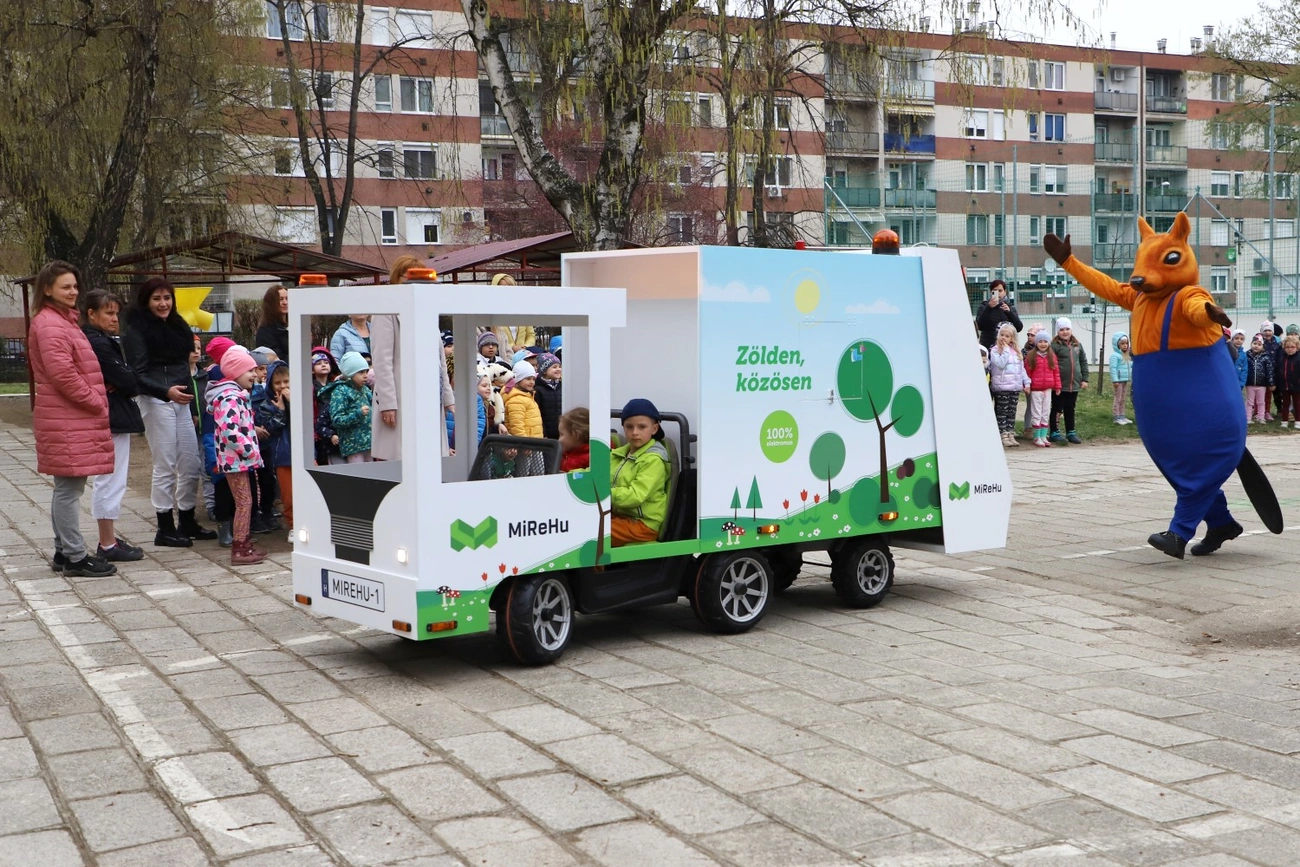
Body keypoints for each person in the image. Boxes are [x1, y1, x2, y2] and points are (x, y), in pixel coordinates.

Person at [30, 262, 117, 577]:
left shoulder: (60, 321)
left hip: (67, 417)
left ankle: (63, 552)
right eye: (66, 286)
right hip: (68, 417)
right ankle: (77, 558)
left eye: (75, 286)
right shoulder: (51, 324)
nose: (73, 292)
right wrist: (95, 399)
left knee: (65, 489)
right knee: (69, 490)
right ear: (48, 289)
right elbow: (63, 374)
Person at [122, 277, 216, 546]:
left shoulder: (178, 325)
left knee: (191, 463)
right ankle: (164, 526)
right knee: (165, 464)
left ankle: (187, 520)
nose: (163, 304)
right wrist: (166, 392)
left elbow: (182, 368)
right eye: (156, 299)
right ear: (146, 301)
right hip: (156, 399)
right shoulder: (136, 330)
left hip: (181, 401)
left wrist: (187, 399)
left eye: (167, 298)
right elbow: (137, 375)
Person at [79, 290, 147, 562]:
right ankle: (107, 542)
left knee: (111, 478)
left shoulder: (100, 339)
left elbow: (127, 378)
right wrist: (122, 378)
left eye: (116, 313)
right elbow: (129, 380)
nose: (114, 318)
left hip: (112, 410)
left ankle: (108, 538)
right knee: (110, 478)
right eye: (108, 312)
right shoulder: (98, 342)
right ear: (91, 314)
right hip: (110, 414)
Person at [372, 256, 453, 460]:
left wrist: (447, 397)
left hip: (428, 396)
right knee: (402, 460)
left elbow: (440, 361)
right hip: (401, 397)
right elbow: (382, 361)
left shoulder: (426, 312)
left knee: (430, 456)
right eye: (409, 276)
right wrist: (388, 403)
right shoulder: (385, 310)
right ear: (397, 279)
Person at [206, 347, 266, 565]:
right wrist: (249, 451)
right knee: (244, 503)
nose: (254, 374)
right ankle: (240, 548)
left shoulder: (237, 396)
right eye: (249, 370)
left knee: (247, 501)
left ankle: (244, 542)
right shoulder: (229, 398)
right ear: (235, 372)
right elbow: (230, 431)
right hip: (236, 460)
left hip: (238, 460)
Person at [610, 399, 671, 545]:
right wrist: (570, 477)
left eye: (642, 427)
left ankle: (592, 568)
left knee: (592, 531)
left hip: (643, 525)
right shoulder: (616, 454)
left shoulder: (653, 460)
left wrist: (602, 494)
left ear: (654, 429)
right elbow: (594, 473)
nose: (635, 432)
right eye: (629, 427)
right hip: (618, 517)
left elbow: (636, 495)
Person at [255, 361, 294, 534]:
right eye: (277, 383)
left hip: (304, 453)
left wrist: (293, 404)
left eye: (286, 382)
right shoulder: (266, 405)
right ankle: (293, 525)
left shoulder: (299, 398)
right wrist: (280, 410)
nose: (282, 386)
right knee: (288, 494)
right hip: (282, 454)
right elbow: (270, 429)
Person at [988, 323, 1030, 447]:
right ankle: (1002, 433)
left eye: (1007, 336)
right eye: (1002, 335)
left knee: (1011, 412)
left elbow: (1021, 369)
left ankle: (1010, 432)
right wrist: (1005, 349)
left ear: (1012, 338)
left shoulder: (1016, 351)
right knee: (1002, 411)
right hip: (1002, 386)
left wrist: (1026, 382)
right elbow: (1000, 364)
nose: (1004, 338)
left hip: (1015, 387)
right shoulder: (995, 350)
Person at [1049, 317, 1088, 444]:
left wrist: (1085, 379)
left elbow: (1083, 362)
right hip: (1060, 385)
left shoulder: (1077, 345)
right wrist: (1055, 382)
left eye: (1067, 329)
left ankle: (1071, 432)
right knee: (1057, 408)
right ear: (1057, 331)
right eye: (1061, 329)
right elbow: (1051, 364)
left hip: (1074, 384)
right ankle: (1054, 431)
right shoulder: (1054, 346)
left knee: (1070, 408)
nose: (1065, 332)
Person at [331, 351, 374, 462]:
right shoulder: (340, 391)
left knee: (373, 474)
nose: (365, 375)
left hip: (369, 443)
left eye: (366, 371)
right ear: (350, 373)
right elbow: (337, 419)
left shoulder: (365, 389)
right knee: (359, 475)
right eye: (360, 372)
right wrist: (357, 414)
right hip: (353, 446)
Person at [1025, 330, 1061, 448]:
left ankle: (1043, 436)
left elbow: (1056, 372)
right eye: (1040, 341)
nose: (1043, 344)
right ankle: (1037, 436)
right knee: (1037, 412)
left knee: (1045, 412)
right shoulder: (1031, 356)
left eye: (1045, 341)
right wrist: (1027, 385)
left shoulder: (1052, 356)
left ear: (1049, 343)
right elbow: (1027, 372)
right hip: (1036, 389)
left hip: (1048, 389)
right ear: (1036, 343)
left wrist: (1057, 386)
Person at [309, 346, 341, 464]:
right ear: (312, 369)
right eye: (318, 363)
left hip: (334, 426)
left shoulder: (336, 385)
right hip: (318, 429)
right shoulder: (310, 387)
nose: (323, 365)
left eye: (326, 362)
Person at [975, 280, 1022, 349]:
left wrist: (1009, 312)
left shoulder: (1010, 307)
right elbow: (979, 326)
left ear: (1005, 292)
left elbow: (1019, 327)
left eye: (1000, 291)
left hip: (1007, 347)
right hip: (988, 345)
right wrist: (989, 308)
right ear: (991, 292)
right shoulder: (984, 306)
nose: (998, 293)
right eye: (995, 291)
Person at [503, 360, 543, 437]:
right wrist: (524, 445)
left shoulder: (528, 397)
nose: (532, 382)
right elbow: (517, 427)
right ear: (518, 380)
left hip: (534, 443)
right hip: (526, 445)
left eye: (533, 379)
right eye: (528, 379)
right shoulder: (516, 401)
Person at [254, 285, 290, 361]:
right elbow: (277, 360)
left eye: (287, 299)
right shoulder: (265, 332)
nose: (285, 302)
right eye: (280, 299)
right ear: (271, 303)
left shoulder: (294, 326)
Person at [1243, 334, 1273, 423]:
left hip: (1262, 384)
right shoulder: (1246, 356)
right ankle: (1248, 418)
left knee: (1261, 402)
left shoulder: (1266, 357)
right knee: (1249, 402)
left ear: (1262, 346)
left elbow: (1269, 371)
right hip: (1250, 383)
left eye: (1259, 344)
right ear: (1251, 344)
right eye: (1254, 343)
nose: (1256, 346)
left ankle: (1261, 417)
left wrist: (1270, 382)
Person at [534, 352, 563, 439]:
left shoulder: (562, 386)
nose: (558, 369)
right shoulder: (538, 389)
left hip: (561, 432)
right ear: (544, 370)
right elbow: (538, 414)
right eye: (554, 367)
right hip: (547, 434)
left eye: (559, 367)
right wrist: (543, 433)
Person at [1275, 333, 1300, 429]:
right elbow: (1279, 371)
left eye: (1292, 347)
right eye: (1288, 347)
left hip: (1296, 386)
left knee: (1297, 404)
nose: (1290, 349)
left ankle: (1298, 421)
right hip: (1284, 385)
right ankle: (1284, 421)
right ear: (1284, 347)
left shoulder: (1298, 358)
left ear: (1297, 347)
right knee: (1285, 404)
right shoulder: (1282, 358)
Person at [1109, 332, 1133, 425]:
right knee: (1118, 398)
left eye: (1126, 343)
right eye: (1122, 344)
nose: (1125, 346)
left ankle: (1122, 416)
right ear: (1117, 344)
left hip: (1124, 380)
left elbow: (1128, 365)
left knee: (1123, 398)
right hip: (1118, 381)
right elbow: (1113, 369)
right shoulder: (1115, 356)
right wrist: (1115, 380)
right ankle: (1116, 417)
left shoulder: (1125, 356)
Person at [559, 407, 591, 471]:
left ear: (575, 435)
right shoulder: (565, 455)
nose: (559, 440)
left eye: (561, 434)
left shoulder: (591, 458)